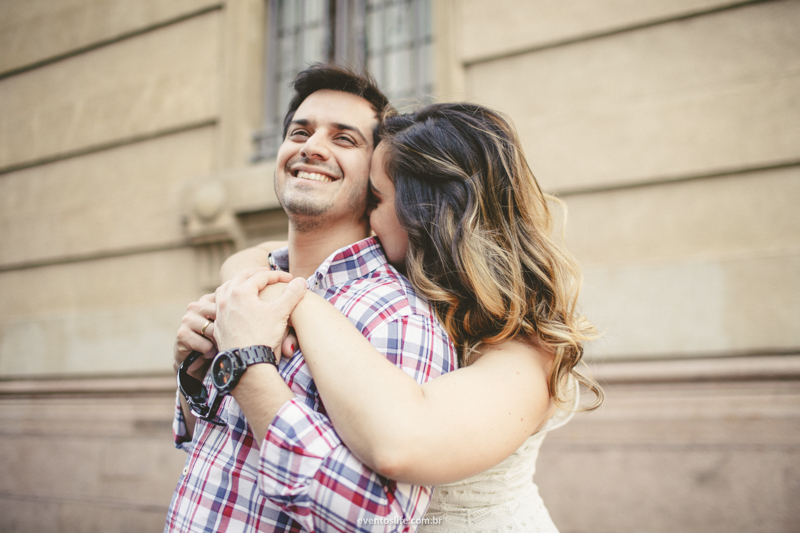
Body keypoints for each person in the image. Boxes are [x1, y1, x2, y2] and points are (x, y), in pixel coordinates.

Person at [214, 103, 603, 532]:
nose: (365, 215)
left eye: (376, 199)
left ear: (428, 214)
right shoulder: (406, 294)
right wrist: (246, 290)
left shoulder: (526, 352)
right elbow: (249, 257)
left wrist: (297, 299)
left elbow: (402, 441)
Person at [166, 65, 457, 532]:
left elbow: (377, 520)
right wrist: (195, 376)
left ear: (380, 175)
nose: (311, 147)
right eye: (300, 131)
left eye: (344, 139)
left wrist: (246, 366)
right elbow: (219, 450)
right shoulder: (250, 285)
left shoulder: (397, 315)